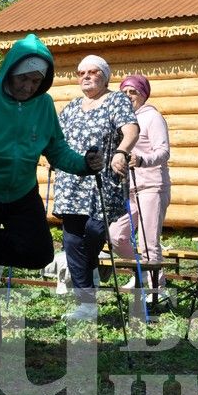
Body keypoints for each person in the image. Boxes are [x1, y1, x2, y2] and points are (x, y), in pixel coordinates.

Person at [0, 34, 103, 375]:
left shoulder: (43, 105)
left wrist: (86, 164)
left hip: (22, 190)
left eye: (36, 80)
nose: (29, 86)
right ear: (9, 72)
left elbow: (56, 149)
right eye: (24, 78)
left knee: (38, 252)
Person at [53, 55, 138, 321]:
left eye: (93, 72)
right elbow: (56, 137)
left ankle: (87, 269)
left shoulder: (116, 100)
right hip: (71, 180)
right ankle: (86, 303)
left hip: (102, 179)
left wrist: (122, 152)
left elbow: (132, 129)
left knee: (95, 230)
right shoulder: (71, 107)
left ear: (105, 76)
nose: (86, 77)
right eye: (81, 73)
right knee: (71, 239)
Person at [108, 74, 171, 292]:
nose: (127, 96)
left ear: (143, 94)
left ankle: (156, 290)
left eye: (132, 92)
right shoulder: (124, 120)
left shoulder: (152, 117)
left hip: (152, 186)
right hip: (130, 188)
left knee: (147, 242)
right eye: (124, 92)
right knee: (116, 235)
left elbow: (163, 151)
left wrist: (143, 160)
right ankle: (142, 272)